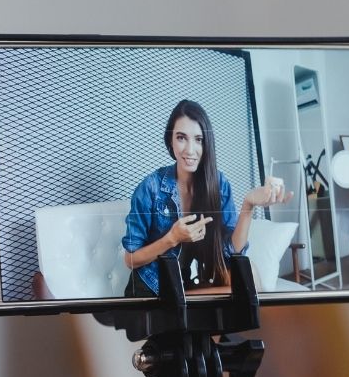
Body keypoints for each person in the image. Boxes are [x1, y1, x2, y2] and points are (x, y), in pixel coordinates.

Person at [120, 99, 288, 295]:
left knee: (249, 275)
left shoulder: (218, 183)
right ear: (170, 140)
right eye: (181, 138)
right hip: (152, 289)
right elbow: (130, 259)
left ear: (206, 143)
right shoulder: (150, 188)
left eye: (198, 139)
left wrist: (248, 205)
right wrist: (172, 238)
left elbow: (233, 251)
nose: (190, 150)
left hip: (186, 286)